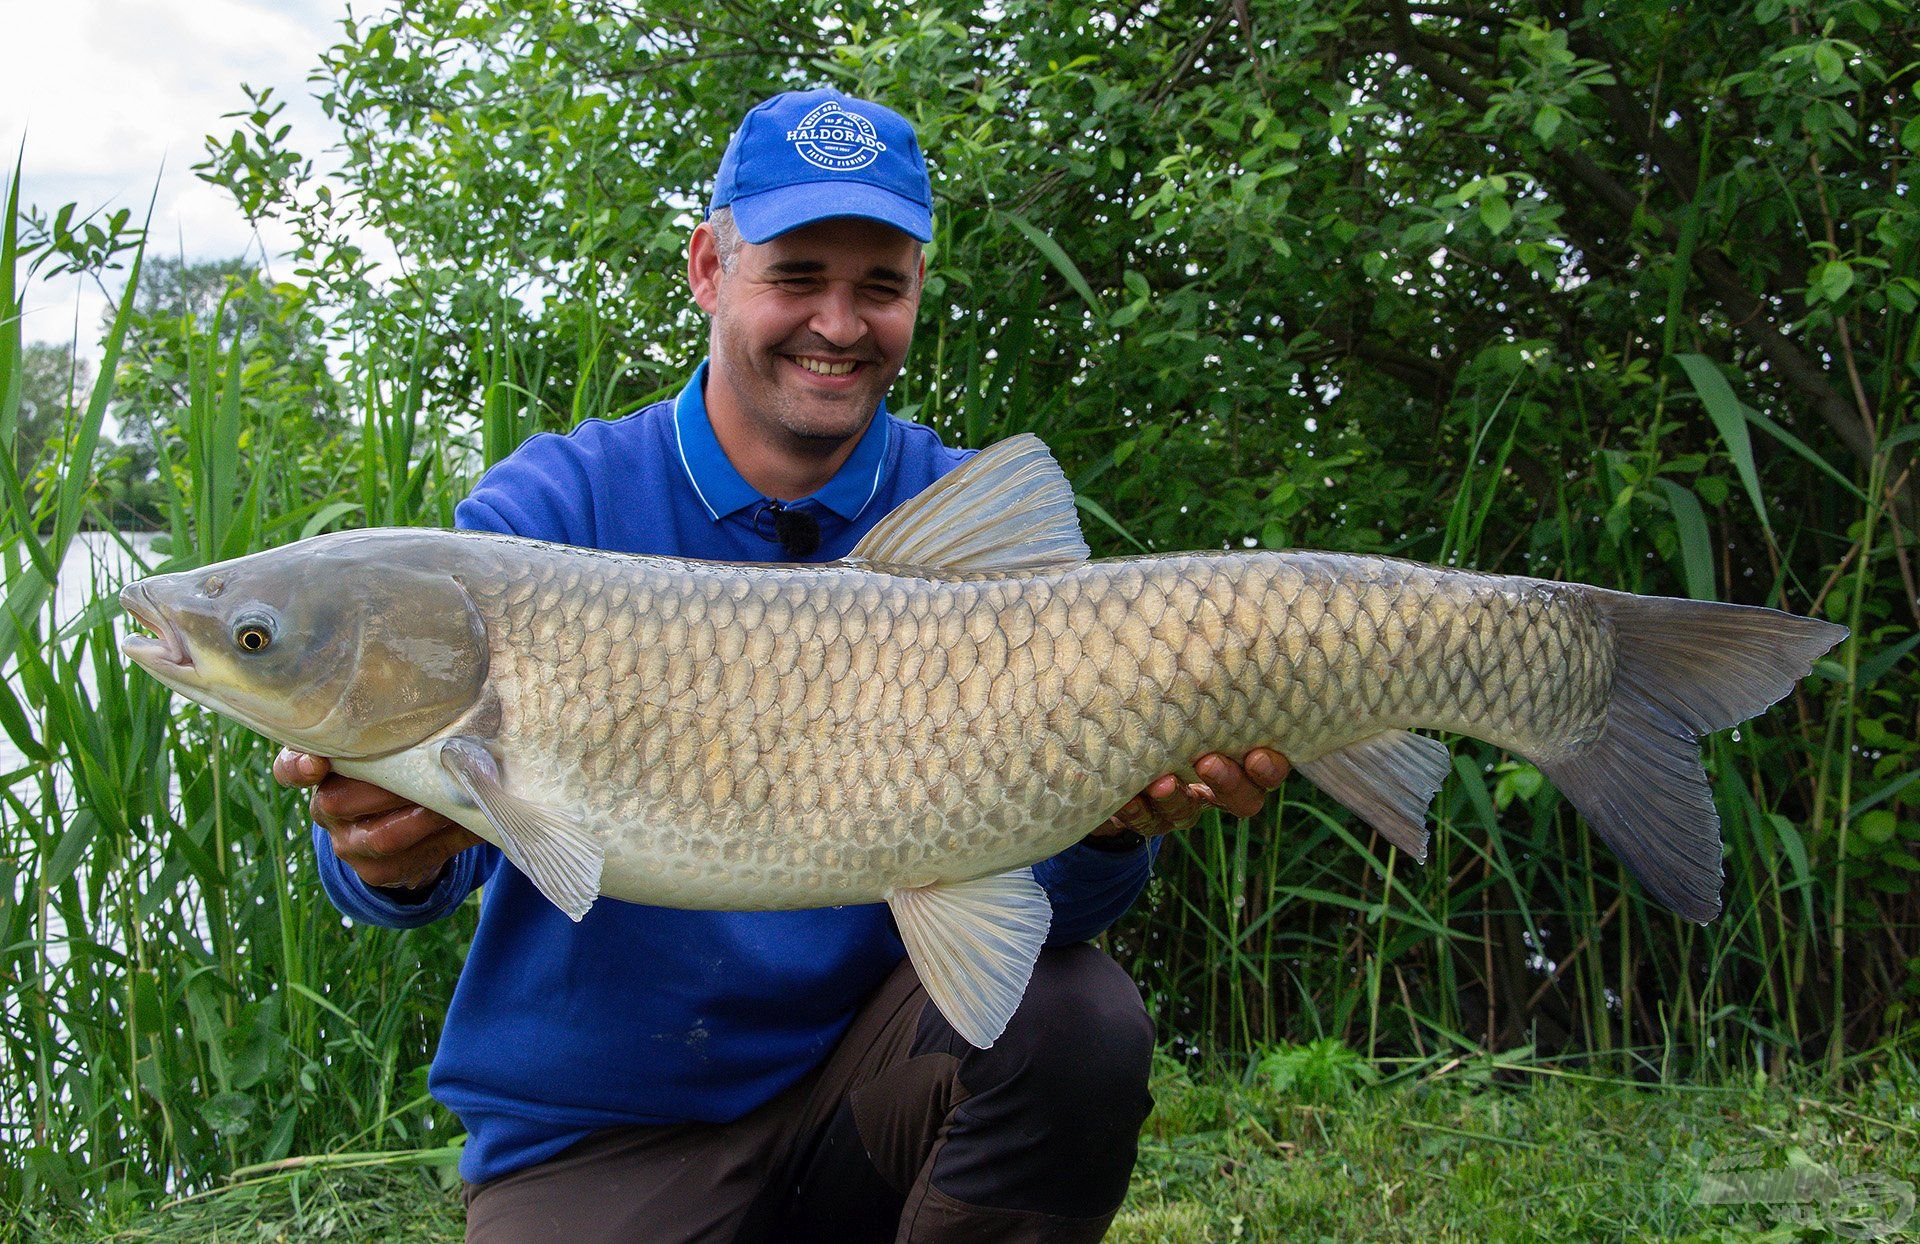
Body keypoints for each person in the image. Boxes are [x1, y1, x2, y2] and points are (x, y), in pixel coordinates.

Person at [274, 88, 1290, 1243]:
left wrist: (1108, 828)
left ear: (917, 294)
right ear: (709, 266)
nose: (841, 324)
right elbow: (397, 883)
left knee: (1080, 1023)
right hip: (605, 1129)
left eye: (881, 286)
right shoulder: (548, 513)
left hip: (876, 1087)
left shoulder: (968, 533)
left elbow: (1039, 908)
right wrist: (386, 850)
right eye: (799, 276)